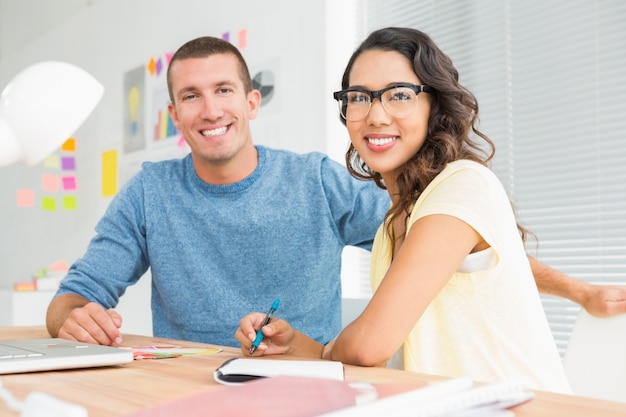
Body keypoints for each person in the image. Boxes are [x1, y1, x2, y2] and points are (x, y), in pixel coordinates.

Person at [47, 35, 625, 350]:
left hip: (307, 388)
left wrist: (576, 290)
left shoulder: (317, 181)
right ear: (176, 114)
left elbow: (450, 241)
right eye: (191, 96)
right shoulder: (150, 192)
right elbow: (73, 298)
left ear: (251, 103)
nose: (210, 108)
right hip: (184, 392)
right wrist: (73, 319)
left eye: (224, 89)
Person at [235, 27, 572, 393]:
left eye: (399, 95)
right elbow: (373, 357)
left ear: (435, 105)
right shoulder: (391, 226)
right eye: (360, 97)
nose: (376, 116)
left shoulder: (463, 185)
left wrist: (580, 291)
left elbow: (367, 346)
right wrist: (295, 344)